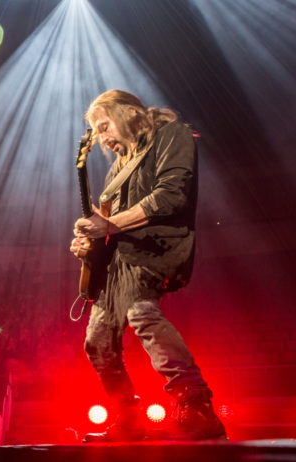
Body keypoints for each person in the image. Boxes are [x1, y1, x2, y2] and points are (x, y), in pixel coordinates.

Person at [71, 89, 226, 442]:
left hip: (157, 249)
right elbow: (108, 228)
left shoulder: (173, 135)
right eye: (96, 130)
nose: (102, 137)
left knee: (140, 311)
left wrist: (108, 225)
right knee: (97, 341)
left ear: (128, 112)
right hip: (119, 263)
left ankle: (196, 403)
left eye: (104, 125)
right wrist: (88, 243)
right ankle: (128, 418)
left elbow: (172, 195)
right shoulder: (115, 172)